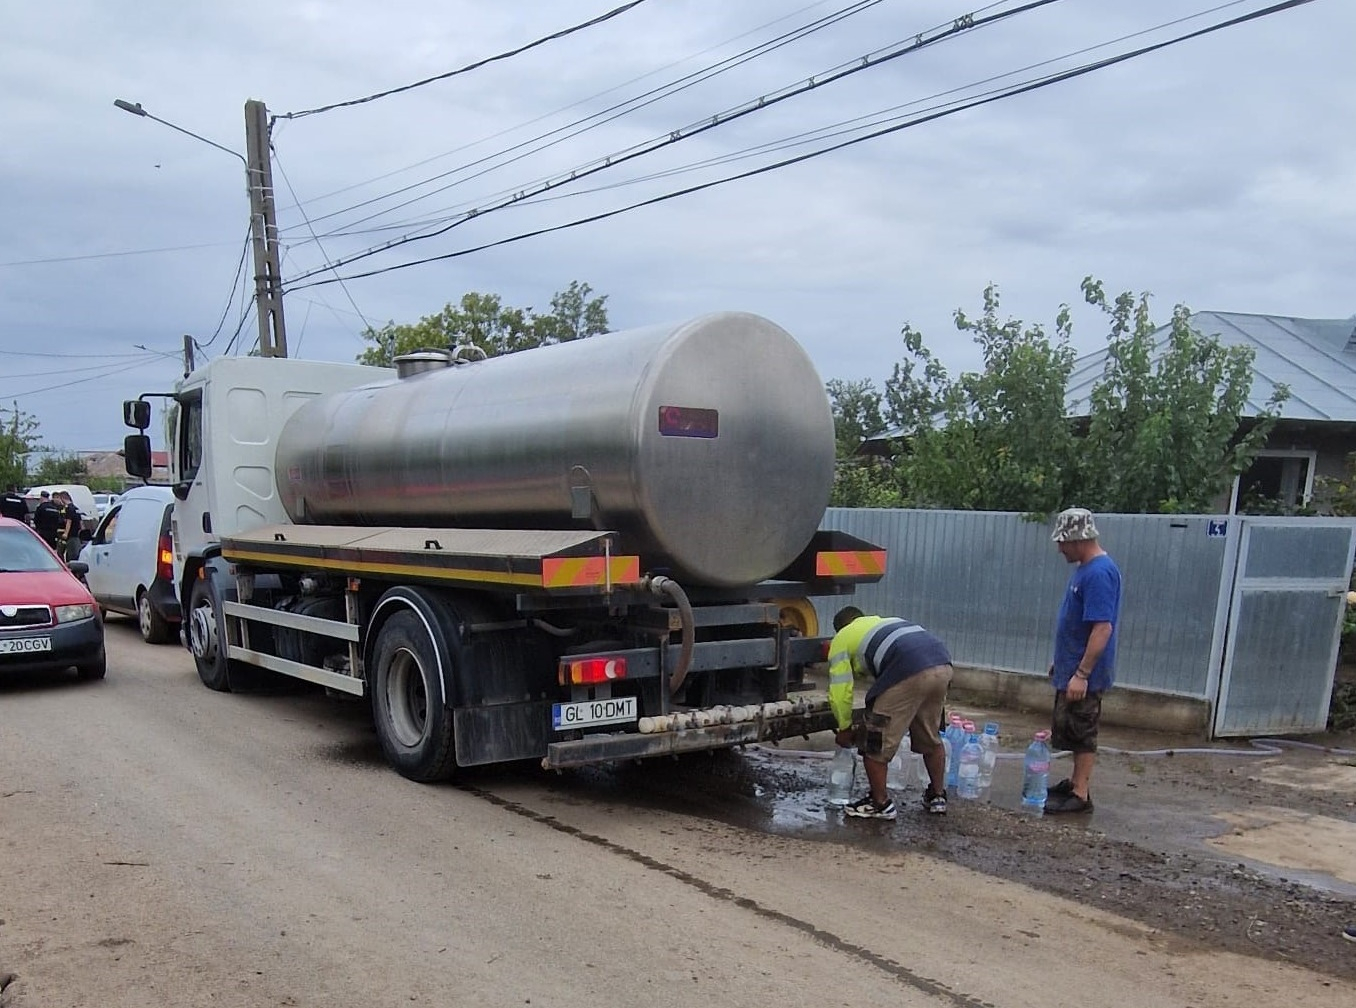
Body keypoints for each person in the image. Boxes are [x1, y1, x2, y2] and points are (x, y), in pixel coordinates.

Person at [827, 605, 954, 819]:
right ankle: (937, 796)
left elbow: (840, 690)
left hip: (909, 669)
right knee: (930, 737)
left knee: (874, 742)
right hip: (942, 664)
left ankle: (880, 804)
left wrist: (845, 726)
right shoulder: (885, 622)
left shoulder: (842, 637)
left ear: (840, 627)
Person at [1044, 506, 1122, 814]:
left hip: (1085, 673)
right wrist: (1062, 662)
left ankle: (1081, 791)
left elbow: (1102, 627)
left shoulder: (1100, 573)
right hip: (1072, 665)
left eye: (1063, 542)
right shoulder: (1086, 570)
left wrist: (1082, 673)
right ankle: (1074, 780)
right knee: (1071, 727)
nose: (1060, 548)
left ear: (1079, 539)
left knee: (1083, 727)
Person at [56, 491, 84, 562]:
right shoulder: (76, 508)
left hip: (71, 535)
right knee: (74, 554)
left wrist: (66, 533)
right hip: (76, 534)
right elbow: (81, 522)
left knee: (70, 554)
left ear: (62, 498)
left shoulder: (68, 508)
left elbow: (69, 521)